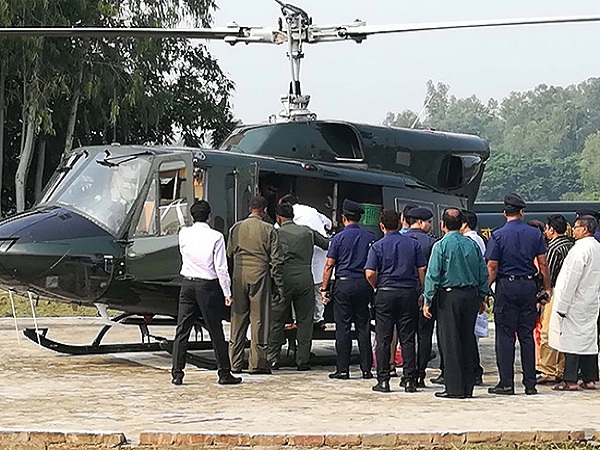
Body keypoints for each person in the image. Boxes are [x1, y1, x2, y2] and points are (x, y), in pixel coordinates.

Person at [485, 193, 551, 396]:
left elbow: (492, 266)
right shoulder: (534, 234)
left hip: (507, 286)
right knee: (527, 335)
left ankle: (506, 383)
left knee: (505, 335)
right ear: (521, 212)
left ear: (504, 213)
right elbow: (543, 264)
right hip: (528, 286)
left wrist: (485, 289)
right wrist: (547, 288)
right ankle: (530, 384)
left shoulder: (497, 235)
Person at [171, 200, 241, 386]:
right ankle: (224, 373)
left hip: (187, 284)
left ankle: (177, 373)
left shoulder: (183, 233)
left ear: (192, 216)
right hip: (207, 285)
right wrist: (227, 292)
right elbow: (221, 268)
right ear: (209, 217)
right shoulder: (216, 237)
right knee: (215, 330)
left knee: (182, 330)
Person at [423, 208, 489, 399]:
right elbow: (482, 272)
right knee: (467, 339)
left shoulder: (441, 246)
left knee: (450, 341)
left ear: (442, 225)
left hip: (449, 297)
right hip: (470, 296)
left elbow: (433, 274)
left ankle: (453, 387)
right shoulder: (472, 245)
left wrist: (428, 299)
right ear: (462, 224)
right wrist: (482, 296)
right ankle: (468, 386)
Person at [365, 209, 426, 393]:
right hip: (408, 292)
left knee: (383, 338)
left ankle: (383, 380)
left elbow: (370, 273)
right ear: (400, 223)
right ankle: (409, 380)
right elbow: (422, 269)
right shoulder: (413, 244)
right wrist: (422, 291)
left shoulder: (377, 246)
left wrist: (377, 286)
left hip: (385, 293)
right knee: (407, 338)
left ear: (381, 226)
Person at [268, 203, 329, 371]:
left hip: (283, 280)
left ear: (279, 218)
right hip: (305, 279)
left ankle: (272, 358)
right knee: (305, 321)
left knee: (277, 320)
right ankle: (302, 360)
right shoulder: (307, 232)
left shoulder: (275, 233)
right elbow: (326, 244)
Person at [227, 195, 284, 374]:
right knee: (259, 319)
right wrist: (278, 285)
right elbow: (277, 260)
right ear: (264, 211)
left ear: (249, 209)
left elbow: (229, 253)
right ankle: (257, 363)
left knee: (238, 318)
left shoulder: (236, 227)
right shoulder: (269, 229)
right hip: (259, 274)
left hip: (238, 274)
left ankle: (234, 362)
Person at [321, 199, 376, 380]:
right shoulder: (370, 238)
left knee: (342, 328)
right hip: (363, 284)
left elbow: (329, 265)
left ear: (344, 218)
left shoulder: (338, 238)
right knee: (363, 326)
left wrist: (324, 288)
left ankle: (342, 369)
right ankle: (366, 369)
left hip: (343, 285)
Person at [549, 215, 600, 391]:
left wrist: (562, 305)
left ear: (585, 229)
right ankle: (589, 378)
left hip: (575, 302)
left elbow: (570, 279)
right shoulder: (597, 247)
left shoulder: (580, 250)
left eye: (576, 227)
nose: (573, 230)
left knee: (571, 341)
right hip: (591, 300)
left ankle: (570, 380)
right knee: (589, 341)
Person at [278, 194, 332, 327]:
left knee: (297, 296)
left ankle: (297, 321)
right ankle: (319, 319)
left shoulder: (290, 216)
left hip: (300, 260)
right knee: (318, 291)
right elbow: (329, 223)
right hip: (319, 257)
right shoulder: (312, 210)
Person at [536, 214, 573, 384]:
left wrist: (543, 293)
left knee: (548, 331)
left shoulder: (553, 248)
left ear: (551, 229)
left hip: (555, 292)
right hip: (571, 294)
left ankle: (548, 369)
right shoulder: (572, 245)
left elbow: (547, 272)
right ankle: (561, 368)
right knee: (565, 331)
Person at [404, 207, 438, 387]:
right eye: (428, 222)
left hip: (406, 293)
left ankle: (408, 375)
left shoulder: (401, 241)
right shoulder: (432, 243)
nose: (430, 225)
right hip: (425, 295)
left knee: (407, 336)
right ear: (420, 222)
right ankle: (420, 374)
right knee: (425, 336)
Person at [460, 209, 487, 385]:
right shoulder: (478, 240)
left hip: (470, 290)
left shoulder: (470, 241)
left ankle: (474, 371)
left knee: (469, 336)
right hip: (475, 291)